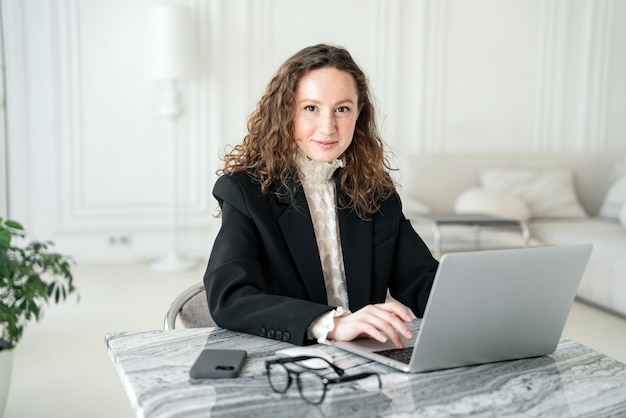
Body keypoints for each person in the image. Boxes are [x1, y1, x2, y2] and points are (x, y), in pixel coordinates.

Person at [204, 44, 438, 348]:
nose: (328, 128)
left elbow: (422, 280)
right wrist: (332, 324)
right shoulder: (245, 191)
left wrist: (472, 308)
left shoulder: (375, 192)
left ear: (358, 115)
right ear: (286, 113)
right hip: (284, 367)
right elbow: (229, 297)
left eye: (342, 109)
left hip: (365, 364)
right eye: (311, 108)